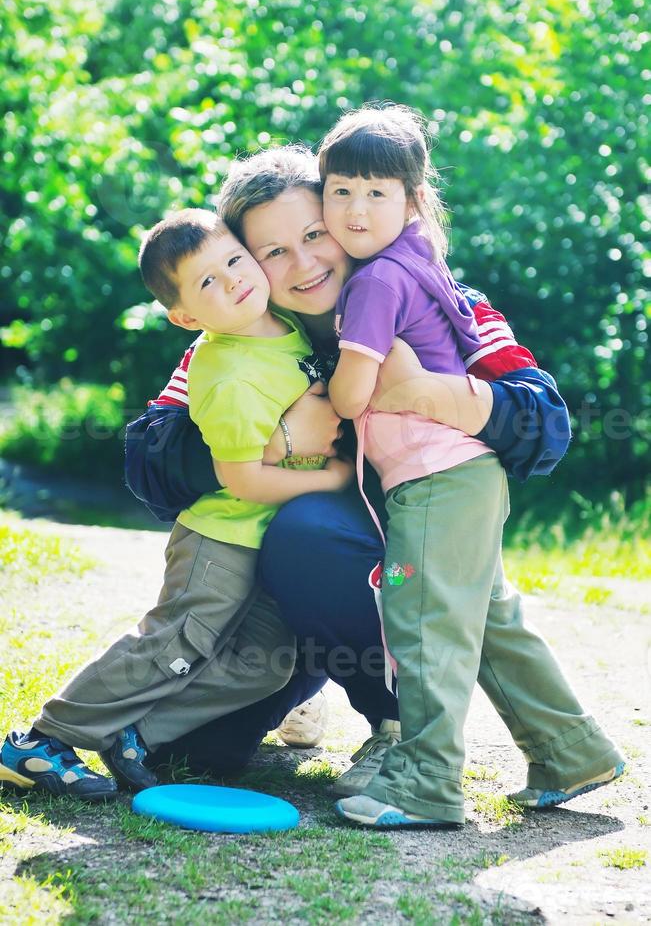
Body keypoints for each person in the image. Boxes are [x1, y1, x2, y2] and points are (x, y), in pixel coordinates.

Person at [124, 143, 624, 819]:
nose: (301, 263)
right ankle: (305, 683)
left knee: (316, 535)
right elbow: (147, 460)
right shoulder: (235, 339)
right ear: (244, 261)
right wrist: (278, 440)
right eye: (272, 252)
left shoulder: (426, 297)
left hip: (393, 542)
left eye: (312, 235)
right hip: (277, 596)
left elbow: (543, 422)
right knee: (196, 753)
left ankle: (396, 726)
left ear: (342, 221)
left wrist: (431, 393)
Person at [317, 104, 623, 827]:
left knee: (425, 623)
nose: (355, 208)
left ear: (412, 198)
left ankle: (426, 784)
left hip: (435, 478)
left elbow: (355, 389)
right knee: (485, 622)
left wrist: (324, 390)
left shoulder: (373, 283)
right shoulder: (418, 264)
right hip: (467, 475)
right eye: (340, 190)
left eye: (375, 192)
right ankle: (570, 751)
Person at [0, 210, 354, 801]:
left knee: (266, 662)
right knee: (173, 643)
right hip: (222, 540)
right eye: (208, 282)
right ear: (186, 317)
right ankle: (42, 739)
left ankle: (135, 733)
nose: (234, 281)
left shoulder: (285, 327)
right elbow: (240, 480)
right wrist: (332, 478)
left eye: (234, 261)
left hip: (268, 542)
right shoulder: (226, 372)